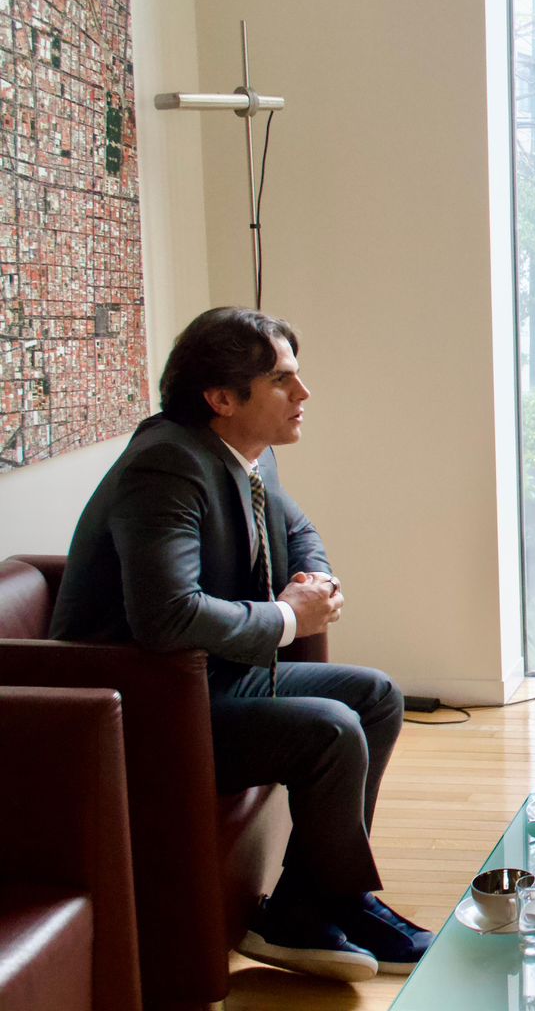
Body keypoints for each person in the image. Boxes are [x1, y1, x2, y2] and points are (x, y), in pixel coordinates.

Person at [51, 307, 432, 982]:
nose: (304, 392)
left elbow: (299, 530)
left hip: (211, 679)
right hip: (140, 710)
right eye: (282, 380)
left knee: (376, 697)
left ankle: (316, 902)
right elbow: (166, 617)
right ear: (222, 398)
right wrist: (286, 617)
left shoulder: (250, 453)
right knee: (331, 728)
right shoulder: (166, 465)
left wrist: (312, 581)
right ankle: (321, 907)